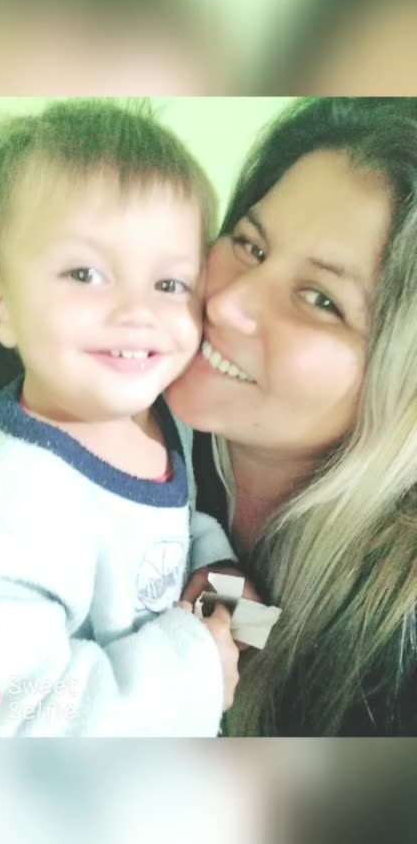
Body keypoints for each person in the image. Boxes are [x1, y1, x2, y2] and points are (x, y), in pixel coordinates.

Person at [0, 98, 241, 736]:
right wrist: (194, 668)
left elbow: (165, 535)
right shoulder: (9, 507)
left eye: (169, 284)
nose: (137, 311)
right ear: (1, 309)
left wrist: (227, 580)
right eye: (85, 273)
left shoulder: (159, 414)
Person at [168, 97, 417, 736]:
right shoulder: (108, 409)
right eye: (250, 245)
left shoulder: (393, 654)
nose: (226, 303)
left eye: (321, 299)